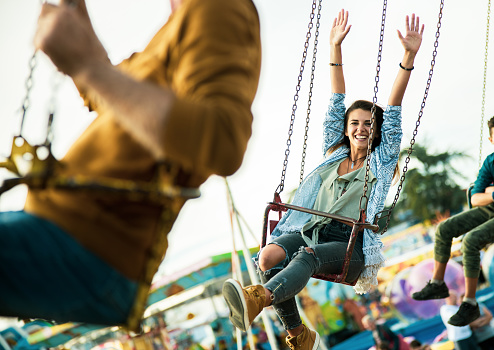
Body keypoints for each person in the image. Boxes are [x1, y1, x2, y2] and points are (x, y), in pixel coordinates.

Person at [0, 0, 261, 330]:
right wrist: (87, 52)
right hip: (56, 227)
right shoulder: (177, 26)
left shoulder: (216, 7)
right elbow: (115, 102)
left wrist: (88, 68)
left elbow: (222, 141)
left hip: (89, 248)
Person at [222, 9, 424, 350]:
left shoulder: (381, 158)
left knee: (306, 256)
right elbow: (335, 101)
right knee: (267, 258)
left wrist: (407, 57)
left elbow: (393, 107)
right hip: (309, 228)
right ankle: (298, 335)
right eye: (355, 123)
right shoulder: (333, 152)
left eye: (368, 124)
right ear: (346, 130)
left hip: (350, 245)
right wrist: (334, 48)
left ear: (376, 132)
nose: (361, 128)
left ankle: (260, 298)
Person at [412, 116, 494, 327]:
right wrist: (491, 194)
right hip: (490, 208)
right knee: (444, 228)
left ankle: (470, 302)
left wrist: (489, 192)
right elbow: (475, 198)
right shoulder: (491, 162)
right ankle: (437, 283)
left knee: (470, 241)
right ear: (491, 140)